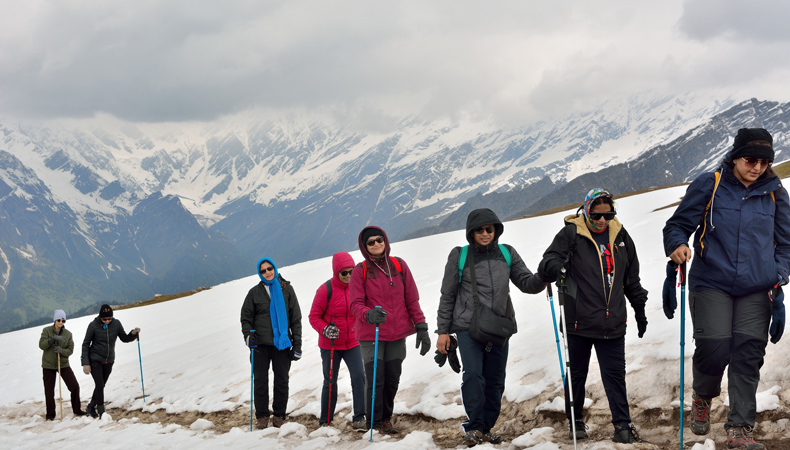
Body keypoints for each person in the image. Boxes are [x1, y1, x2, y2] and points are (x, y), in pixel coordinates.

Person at [663, 128, 789, 450]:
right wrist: (677, 244)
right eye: (751, 160)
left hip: (757, 286)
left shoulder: (776, 193)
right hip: (711, 281)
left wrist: (779, 273)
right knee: (715, 346)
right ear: (736, 156)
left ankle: (740, 431)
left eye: (764, 161)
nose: (757, 167)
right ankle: (703, 396)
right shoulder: (711, 184)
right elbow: (677, 225)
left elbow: (786, 244)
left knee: (748, 354)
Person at [537, 188, 648, 443]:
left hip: (613, 322)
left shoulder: (620, 236)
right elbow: (547, 260)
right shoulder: (571, 233)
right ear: (586, 211)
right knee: (576, 374)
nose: (602, 220)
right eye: (597, 215)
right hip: (579, 321)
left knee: (615, 376)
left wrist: (639, 309)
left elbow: (631, 279)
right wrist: (556, 267)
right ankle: (575, 422)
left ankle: (622, 425)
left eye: (608, 215)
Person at [436, 208, 546, 446]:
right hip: (468, 327)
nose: (485, 233)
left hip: (499, 328)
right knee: (474, 375)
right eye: (479, 230)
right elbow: (448, 295)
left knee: (495, 380)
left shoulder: (507, 253)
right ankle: (474, 428)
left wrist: (545, 275)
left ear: (496, 229)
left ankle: (486, 428)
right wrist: (442, 331)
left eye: (489, 229)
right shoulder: (460, 256)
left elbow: (527, 283)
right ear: (471, 232)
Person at [349, 226, 431, 435]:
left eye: (379, 239)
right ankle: (374, 423)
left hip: (397, 333)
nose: (376, 244)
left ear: (385, 240)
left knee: (392, 378)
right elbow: (355, 303)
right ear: (364, 247)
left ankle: (385, 419)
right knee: (376, 378)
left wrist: (421, 326)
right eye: (371, 242)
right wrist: (368, 314)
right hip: (372, 334)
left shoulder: (399, 265)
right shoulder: (361, 270)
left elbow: (411, 299)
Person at [241, 257, 302, 429]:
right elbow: (246, 318)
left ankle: (279, 415)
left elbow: (295, 319)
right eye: (263, 270)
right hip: (259, 344)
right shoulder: (254, 293)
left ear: (275, 268)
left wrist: (297, 345)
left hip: (281, 344)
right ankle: (261, 416)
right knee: (260, 380)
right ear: (259, 274)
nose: (267, 272)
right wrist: (248, 336)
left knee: (281, 380)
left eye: (270, 268)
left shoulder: (287, 290)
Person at [308, 252, 366, 431]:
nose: (349, 275)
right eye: (344, 273)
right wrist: (325, 329)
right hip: (330, 345)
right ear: (336, 272)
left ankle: (359, 418)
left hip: (353, 342)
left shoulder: (358, 286)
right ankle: (325, 421)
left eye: (352, 271)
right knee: (330, 381)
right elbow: (313, 316)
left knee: (359, 377)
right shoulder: (325, 290)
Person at [81, 304, 140, 419]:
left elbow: (124, 338)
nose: (107, 321)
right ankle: (102, 412)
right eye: (105, 319)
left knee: (101, 386)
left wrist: (133, 334)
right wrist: (85, 363)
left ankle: (91, 406)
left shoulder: (116, 324)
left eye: (109, 319)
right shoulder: (93, 325)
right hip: (95, 360)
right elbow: (86, 344)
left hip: (109, 361)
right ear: (100, 317)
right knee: (99, 384)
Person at [39, 310, 86, 420]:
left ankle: (77, 410)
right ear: (55, 320)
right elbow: (42, 345)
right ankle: (50, 415)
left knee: (74, 386)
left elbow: (70, 350)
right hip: (48, 365)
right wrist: (52, 340)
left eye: (63, 320)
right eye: (59, 320)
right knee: (49, 391)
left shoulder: (68, 334)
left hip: (63, 364)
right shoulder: (46, 331)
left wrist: (62, 351)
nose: (61, 322)